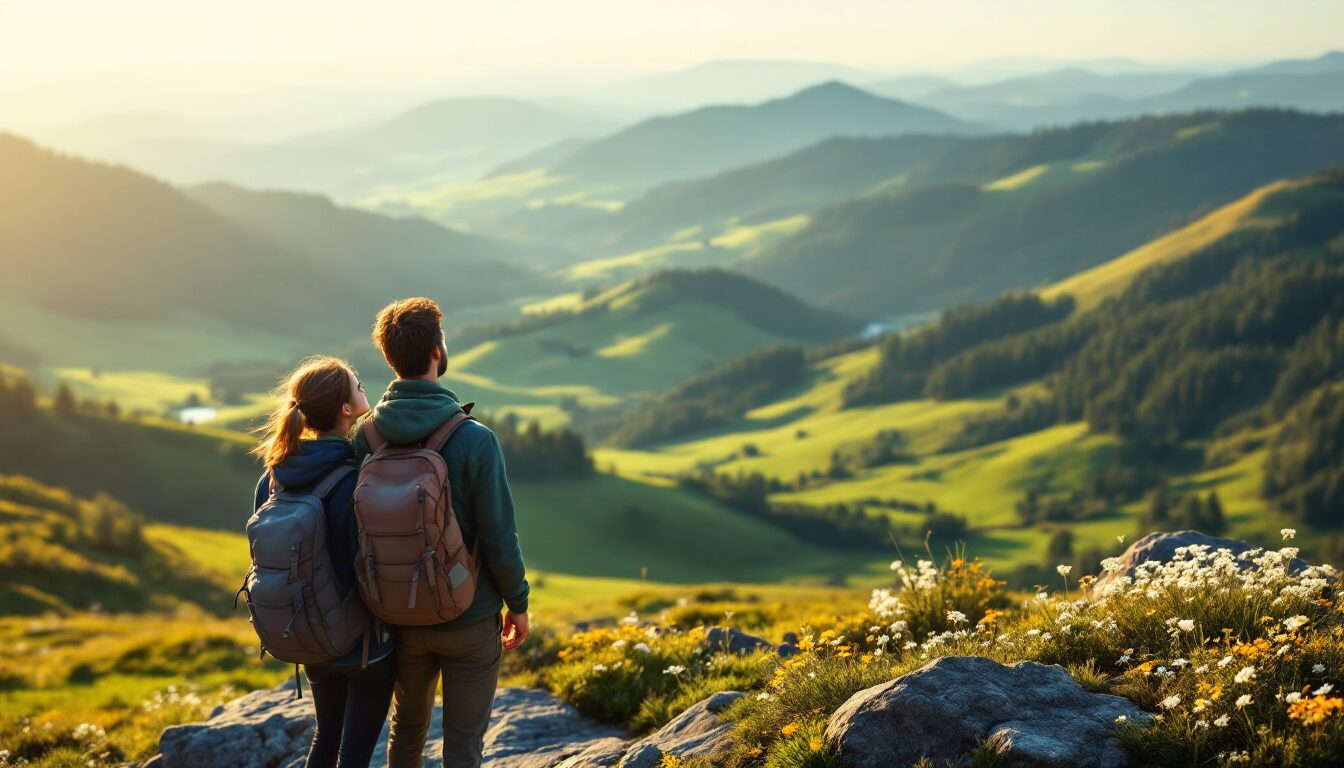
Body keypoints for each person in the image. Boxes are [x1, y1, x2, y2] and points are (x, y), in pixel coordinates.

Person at [351, 298, 530, 768]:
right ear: (437, 352)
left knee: (406, 731)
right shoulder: (475, 439)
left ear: (390, 357)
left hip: (399, 615)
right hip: (470, 614)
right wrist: (518, 602)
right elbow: (499, 535)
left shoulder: (367, 437)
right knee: (463, 744)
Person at [252, 356, 397, 768]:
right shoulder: (358, 478)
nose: (364, 388)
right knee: (353, 754)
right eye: (357, 384)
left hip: (308, 634)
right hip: (363, 646)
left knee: (326, 735)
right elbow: (366, 568)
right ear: (346, 409)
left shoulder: (273, 478)